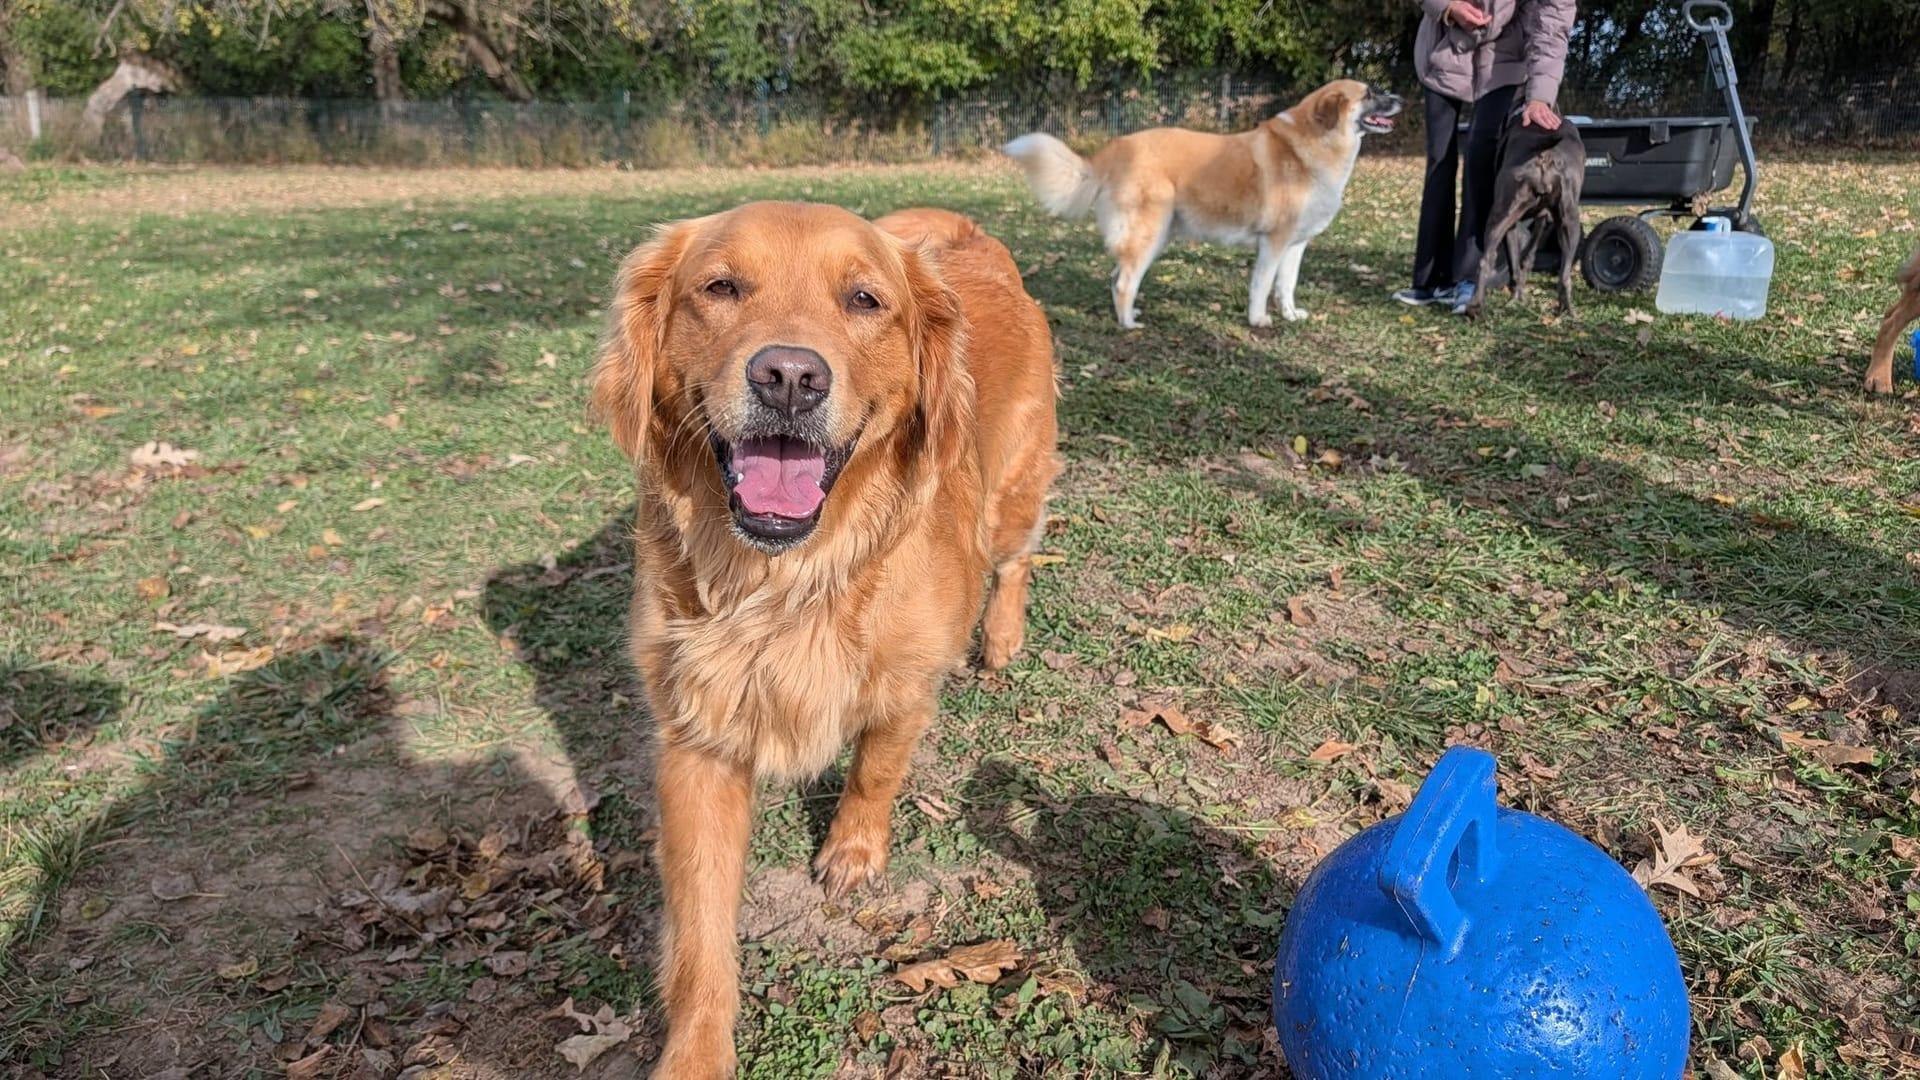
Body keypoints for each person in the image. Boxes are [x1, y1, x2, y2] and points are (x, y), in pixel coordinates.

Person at [1394, 0, 1576, 315]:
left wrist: (1541, 96)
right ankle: (1431, 280)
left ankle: (1469, 278)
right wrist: (1447, 7)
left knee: (1482, 161)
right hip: (1443, 50)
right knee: (1440, 161)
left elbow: (1553, 20)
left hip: (1504, 62)